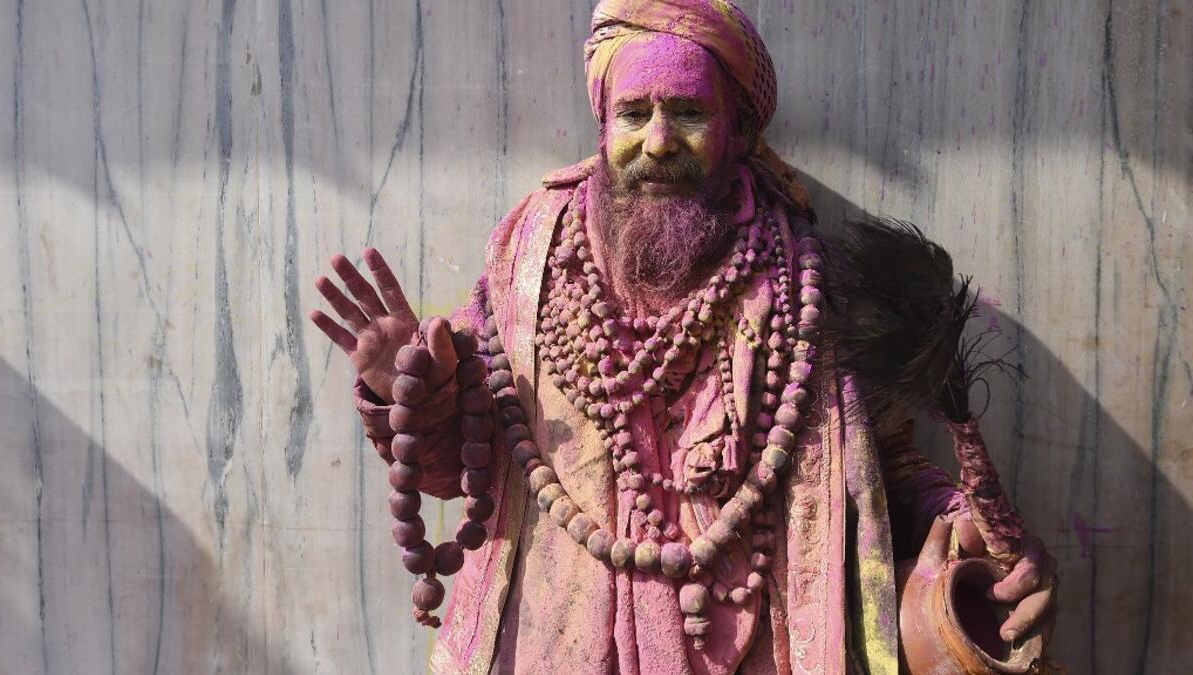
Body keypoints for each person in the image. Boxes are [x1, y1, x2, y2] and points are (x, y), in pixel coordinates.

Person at [309, 1, 1056, 672]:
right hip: (553, 645)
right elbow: (460, 470)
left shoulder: (807, 285)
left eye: (688, 113)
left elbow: (878, 469)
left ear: (736, 131)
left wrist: (975, 532)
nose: (658, 141)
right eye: (634, 113)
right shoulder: (527, 259)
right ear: (603, 127)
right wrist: (413, 391)